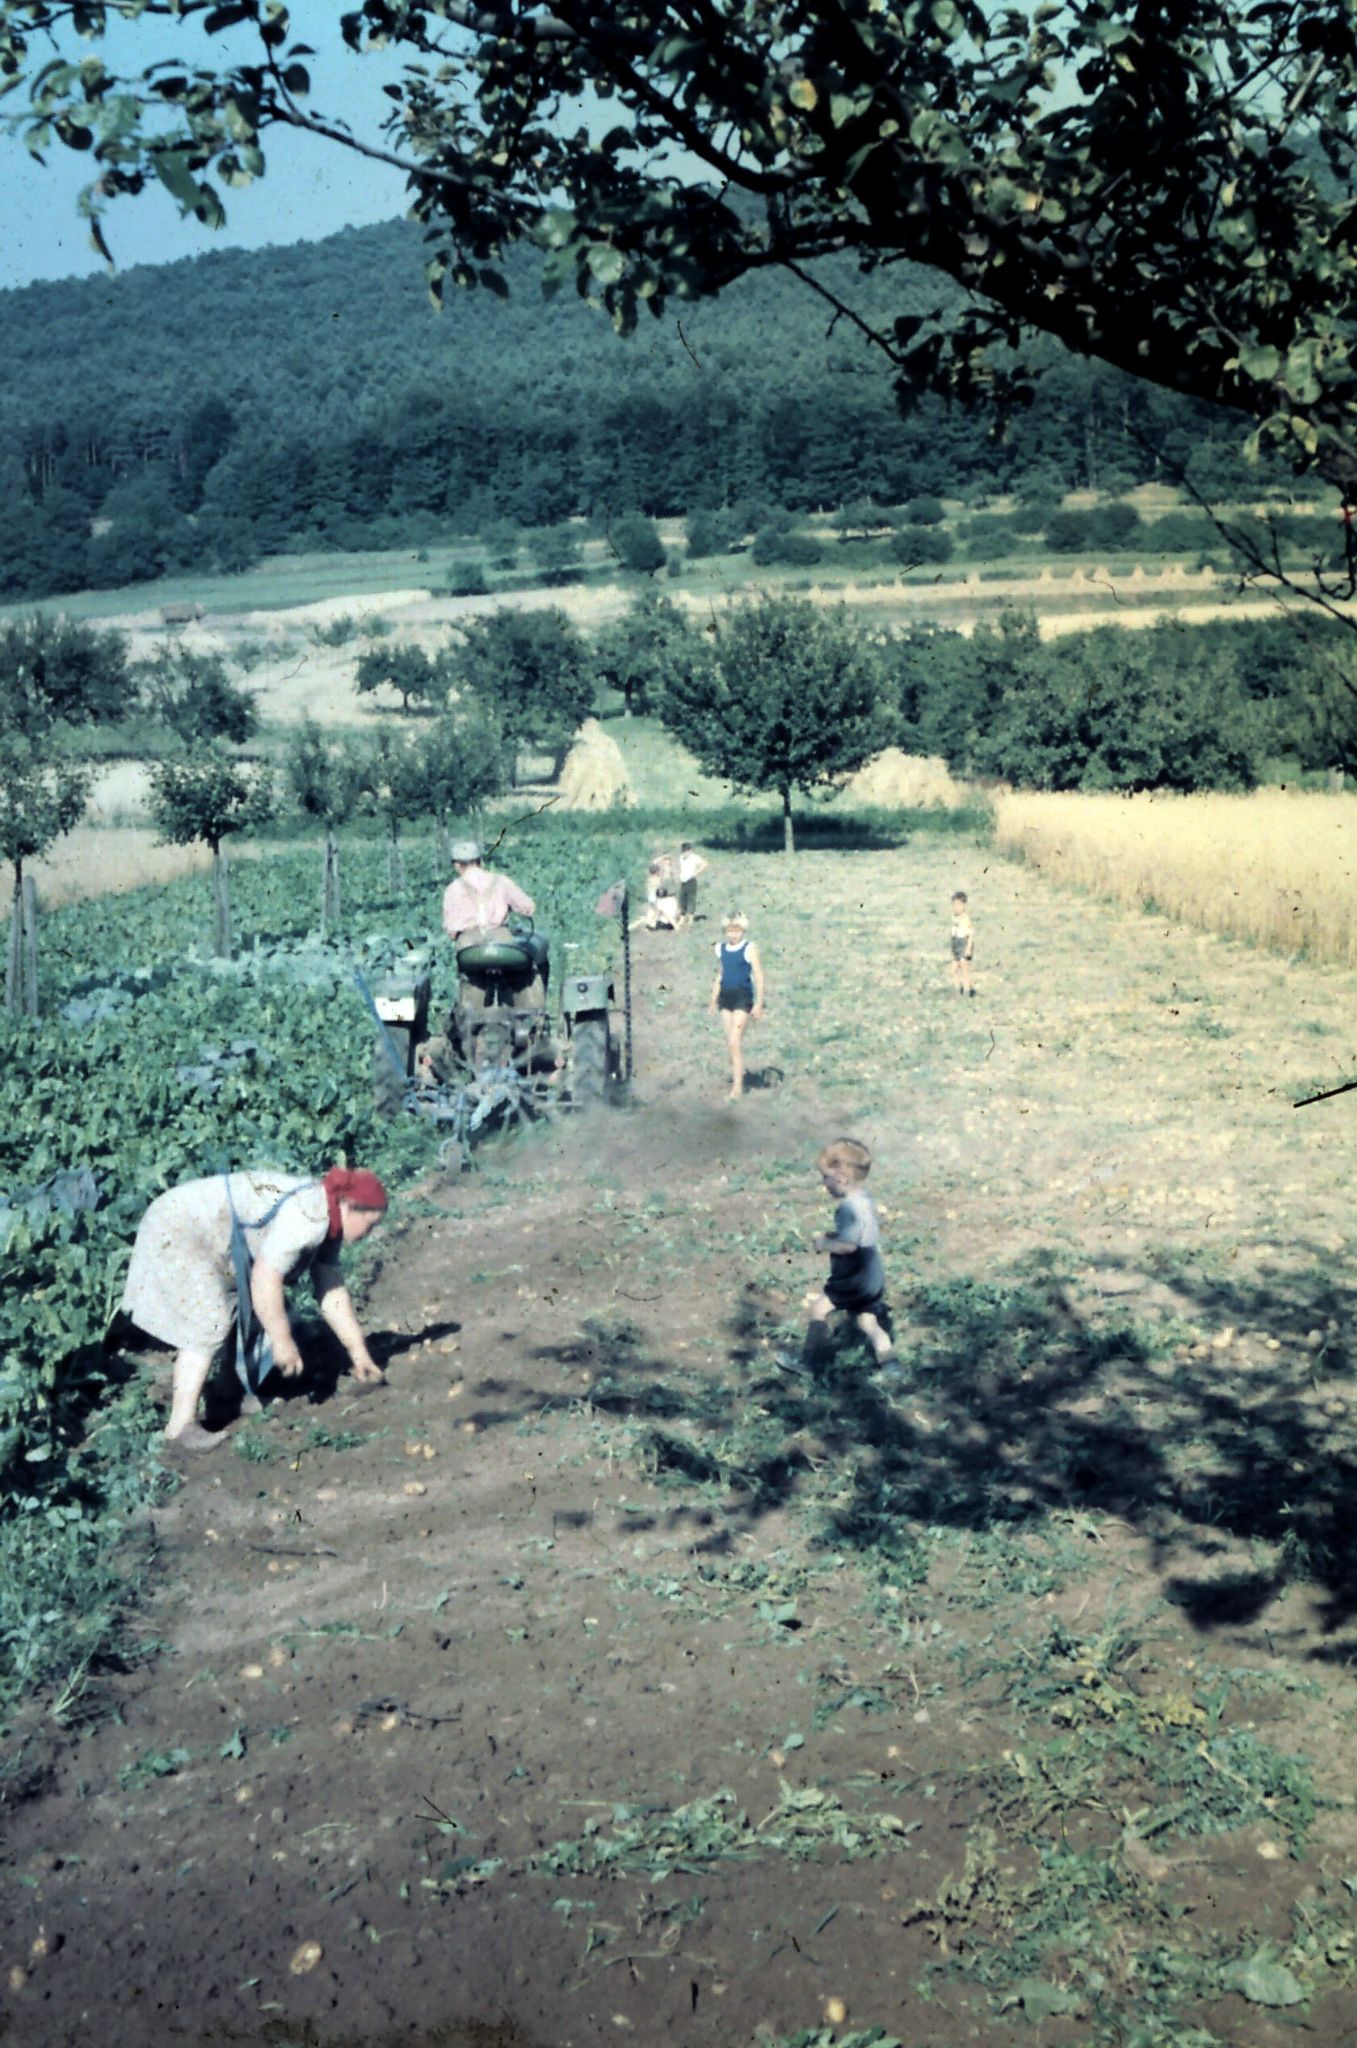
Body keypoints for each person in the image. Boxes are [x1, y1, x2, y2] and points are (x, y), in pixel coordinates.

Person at [120, 1166, 389, 1454]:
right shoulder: (309, 1218)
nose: (368, 1233)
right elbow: (265, 1280)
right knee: (210, 1320)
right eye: (369, 1224)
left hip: (210, 1234)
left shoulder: (328, 1220)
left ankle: (229, 1396)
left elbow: (330, 1288)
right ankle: (179, 1429)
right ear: (348, 1207)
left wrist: (359, 1353)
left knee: (259, 1309)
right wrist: (282, 1340)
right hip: (178, 1227)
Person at [798, 1137, 893, 1368]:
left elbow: (848, 1246)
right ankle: (891, 1366)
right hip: (873, 1275)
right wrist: (836, 1235)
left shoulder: (847, 1209)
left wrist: (824, 1244)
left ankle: (806, 1363)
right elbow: (859, 1234)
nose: (824, 1184)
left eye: (825, 1178)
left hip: (854, 1275)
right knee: (868, 1322)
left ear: (842, 1178)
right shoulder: (865, 1200)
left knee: (819, 1309)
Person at [441, 838, 541, 1010]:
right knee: (522, 972)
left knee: (471, 975)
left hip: (470, 947)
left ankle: (471, 1012)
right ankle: (525, 1010)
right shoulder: (501, 881)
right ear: (480, 861)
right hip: (501, 942)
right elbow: (528, 908)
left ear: (457, 865)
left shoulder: (452, 889)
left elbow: (451, 930)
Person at [708, 910, 765, 1100]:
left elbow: (758, 976)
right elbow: (721, 974)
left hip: (742, 996)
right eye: (730, 930)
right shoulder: (721, 949)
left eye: (737, 930)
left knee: (734, 1041)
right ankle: (736, 1079)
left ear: (743, 930)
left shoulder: (749, 948)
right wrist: (713, 999)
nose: (733, 934)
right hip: (726, 997)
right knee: (730, 1044)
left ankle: (738, 1089)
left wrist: (758, 1003)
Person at [676, 841, 709, 927]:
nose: (685, 853)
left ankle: (690, 919)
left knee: (691, 899)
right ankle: (682, 918)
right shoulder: (681, 858)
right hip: (683, 881)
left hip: (691, 880)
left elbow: (705, 863)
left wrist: (696, 872)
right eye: (683, 851)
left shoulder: (694, 857)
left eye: (686, 851)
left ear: (690, 850)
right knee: (682, 899)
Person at [950, 890, 975, 997]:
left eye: (958, 905)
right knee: (953, 969)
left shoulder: (965, 919)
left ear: (964, 905)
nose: (956, 908)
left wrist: (968, 948)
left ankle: (968, 989)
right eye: (954, 905)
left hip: (964, 944)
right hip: (957, 944)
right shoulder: (955, 918)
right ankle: (959, 987)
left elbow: (971, 934)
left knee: (964, 968)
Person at [643, 859, 680, 931]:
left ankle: (651, 923)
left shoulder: (649, 880)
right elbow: (664, 881)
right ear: (657, 872)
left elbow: (653, 863)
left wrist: (659, 860)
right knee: (659, 911)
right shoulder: (658, 880)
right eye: (659, 871)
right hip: (655, 898)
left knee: (653, 910)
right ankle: (654, 924)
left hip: (650, 897)